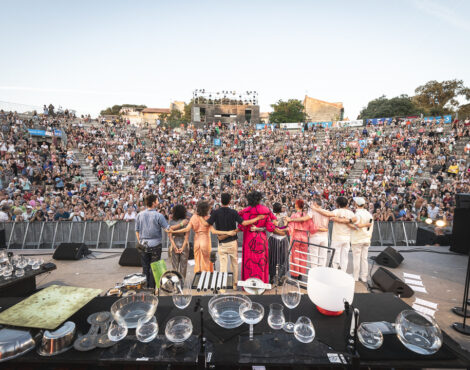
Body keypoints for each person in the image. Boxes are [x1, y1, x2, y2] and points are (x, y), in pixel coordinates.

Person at [206, 193, 265, 288]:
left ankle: (223, 285)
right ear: (230, 201)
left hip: (222, 243)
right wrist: (257, 218)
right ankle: (234, 285)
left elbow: (209, 226)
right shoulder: (233, 212)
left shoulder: (215, 212)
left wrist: (222, 233)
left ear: (221, 201)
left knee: (223, 266)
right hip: (233, 242)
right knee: (234, 264)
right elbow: (244, 223)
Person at [135, 194, 187, 289]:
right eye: (157, 200)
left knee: (145, 268)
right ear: (154, 203)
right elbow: (168, 229)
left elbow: (137, 231)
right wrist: (181, 224)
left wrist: (140, 242)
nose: (159, 202)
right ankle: (152, 289)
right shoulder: (159, 216)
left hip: (142, 245)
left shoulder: (139, 215)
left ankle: (145, 289)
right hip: (155, 245)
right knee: (154, 268)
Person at [170, 200, 235, 274]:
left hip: (197, 241)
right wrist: (227, 232)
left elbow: (186, 229)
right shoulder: (208, 218)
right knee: (207, 261)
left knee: (197, 261)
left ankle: (198, 278)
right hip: (205, 240)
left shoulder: (194, 217)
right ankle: (206, 278)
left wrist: (173, 232)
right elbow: (214, 231)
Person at [238, 191, 276, 283]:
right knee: (261, 262)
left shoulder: (245, 212)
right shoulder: (266, 211)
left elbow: (241, 227)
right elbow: (271, 228)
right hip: (261, 239)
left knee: (249, 262)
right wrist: (259, 228)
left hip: (249, 239)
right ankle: (261, 282)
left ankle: (249, 283)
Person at [312, 196, 357, 272]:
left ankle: (335, 273)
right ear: (346, 204)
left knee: (335, 257)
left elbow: (326, 214)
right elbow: (355, 222)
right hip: (347, 238)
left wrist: (316, 209)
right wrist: (347, 221)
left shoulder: (336, 211)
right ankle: (343, 273)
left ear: (337, 204)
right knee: (345, 258)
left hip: (337, 238)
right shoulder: (351, 213)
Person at [287, 199, 315, 280]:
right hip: (304, 237)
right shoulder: (307, 216)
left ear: (296, 206)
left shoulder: (294, 215)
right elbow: (313, 228)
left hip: (296, 236)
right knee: (303, 255)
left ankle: (295, 274)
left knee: (295, 255)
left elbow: (290, 228)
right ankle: (301, 274)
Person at [349, 197, 373, 282]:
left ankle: (355, 277)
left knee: (357, 259)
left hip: (357, 239)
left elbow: (357, 226)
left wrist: (349, 224)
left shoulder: (357, 215)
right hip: (366, 239)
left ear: (356, 204)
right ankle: (364, 277)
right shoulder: (369, 214)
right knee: (364, 259)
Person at [168, 204, 190, 279]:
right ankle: (182, 282)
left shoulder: (171, 222)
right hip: (184, 242)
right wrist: (183, 247)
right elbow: (187, 236)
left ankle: (175, 281)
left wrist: (174, 247)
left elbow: (170, 237)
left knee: (175, 265)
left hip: (175, 241)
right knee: (183, 266)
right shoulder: (186, 221)